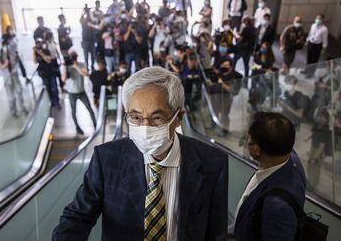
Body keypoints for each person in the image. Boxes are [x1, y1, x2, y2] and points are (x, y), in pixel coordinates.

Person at [52, 66, 228, 240]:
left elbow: (216, 231)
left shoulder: (212, 162)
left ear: (178, 118)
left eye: (157, 117)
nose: (145, 127)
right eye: (135, 117)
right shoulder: (107, 159)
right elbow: (78, 217)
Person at [233, 112, 306, 241]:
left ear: (256, 149)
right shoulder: (290, 157)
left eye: (248, 140)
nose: (246, 140)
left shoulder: (277, 207)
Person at [65, 51, 97, 135]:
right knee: (73, 111)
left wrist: (76, 66)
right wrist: (65, 67)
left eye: (74, 56)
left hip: (82, 92)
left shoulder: (82, 64)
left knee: (89, 108)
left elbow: (86, 74)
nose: (73, 58)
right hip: (72, 93)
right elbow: (64, 79)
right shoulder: (67, 66)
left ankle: (95, 124)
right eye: (72, 57)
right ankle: (77, 127)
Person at [208, 58, 242, 135]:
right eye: (223, 65)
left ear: (230, 67)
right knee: (214, 112)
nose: (224, 67)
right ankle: (213, 125)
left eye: (226, 65)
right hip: (215, 97)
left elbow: (233, 90)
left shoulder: (235, 76)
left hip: (226, 98)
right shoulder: (219, 73)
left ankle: (225, 130)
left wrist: (221, 83)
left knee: (224, 115)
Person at [0, 39, 28, 117]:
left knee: (19, 92)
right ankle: (13, 111)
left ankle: (22, 107)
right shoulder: (0, 57)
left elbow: (19, 64)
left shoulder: (14, 55)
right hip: (8, 79)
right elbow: (1, 67)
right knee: (11, 97)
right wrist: (7, 62)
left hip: (15, 77)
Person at [33, 38, 60, 110]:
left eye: (40, 43)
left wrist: (40, 53)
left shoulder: (46, 51)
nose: (39, 45)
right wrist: (34, 52)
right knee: (48, 89)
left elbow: (48, 60)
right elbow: (35, 61)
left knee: (54, 88)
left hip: (51, 72)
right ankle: (52, 102)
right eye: (37, 44)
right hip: (44, 74)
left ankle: (57, 102)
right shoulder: (36, 54)